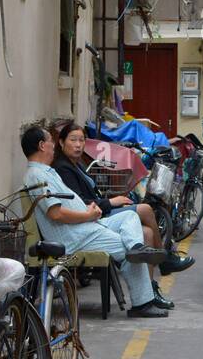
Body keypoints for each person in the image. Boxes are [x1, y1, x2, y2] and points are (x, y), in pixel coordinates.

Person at [21, 123, 169, 319]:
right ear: (41, 145)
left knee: (130, 215)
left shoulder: (45, 171)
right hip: (74, 234)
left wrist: (89, 213)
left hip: (86, 224)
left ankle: (136, 247)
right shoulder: (37, 175)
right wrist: (87, 215)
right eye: (50, 141)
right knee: (125, 247)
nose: (53, 145)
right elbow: (56, 214)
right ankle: (143, 303)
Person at [51, 121, 192, 310]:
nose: (78, 145)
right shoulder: (63, 168)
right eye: (73, 140)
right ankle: (166, 260)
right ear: (61, 143)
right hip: (91, 217)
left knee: (147, 234)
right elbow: (81, 202)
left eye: (82, 140)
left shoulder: (76, 164)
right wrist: (111, 202)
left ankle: (149, 293)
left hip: (97, 212)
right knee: (145, 209)